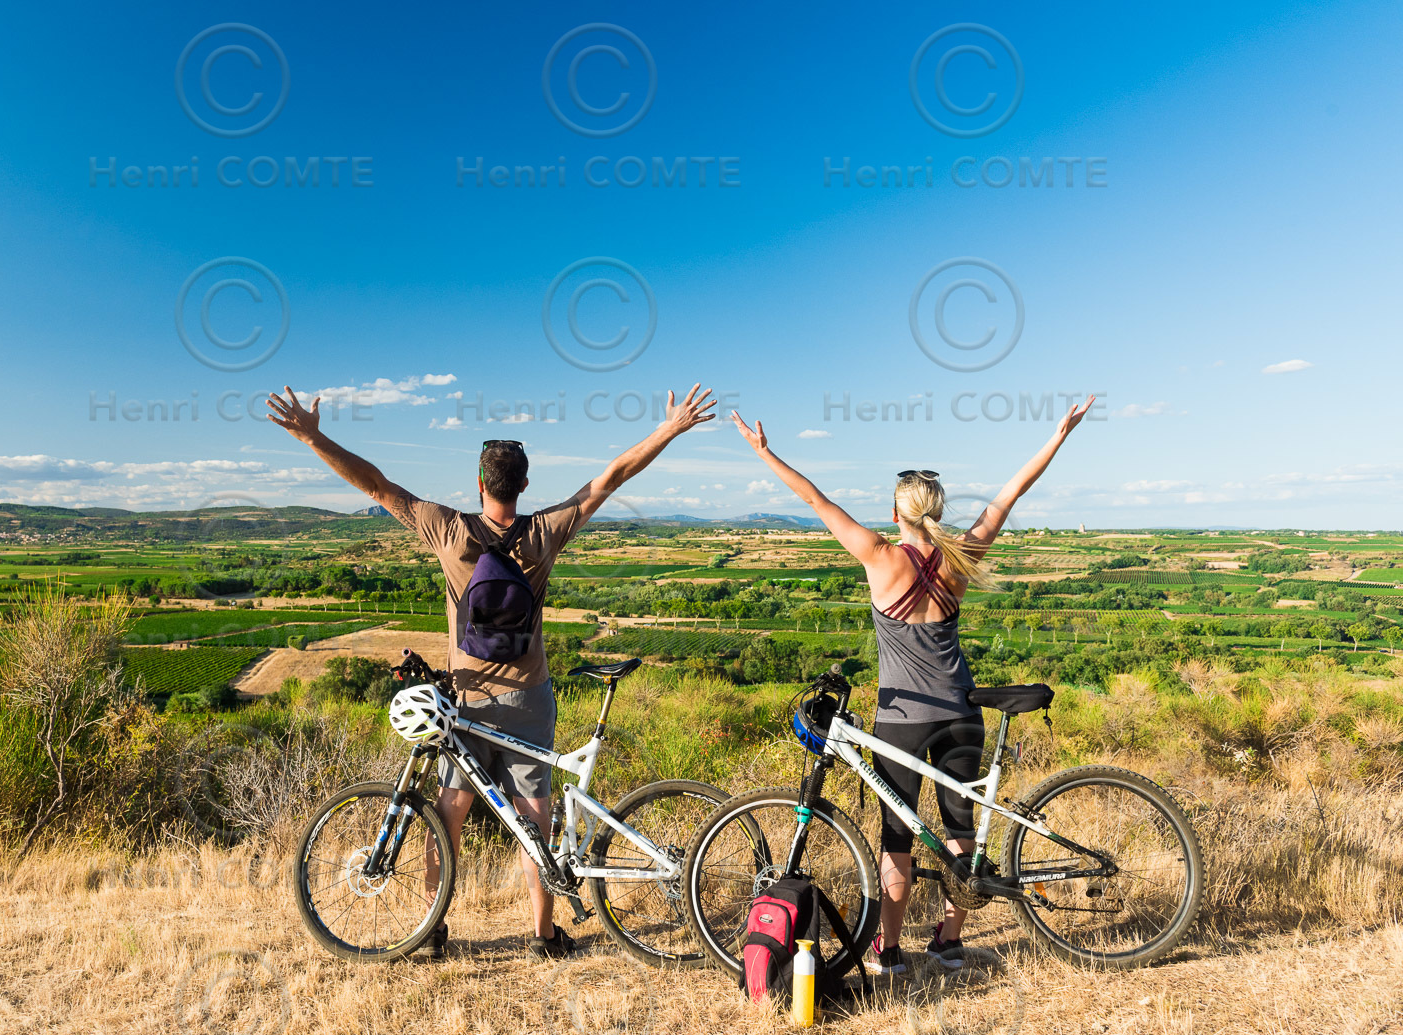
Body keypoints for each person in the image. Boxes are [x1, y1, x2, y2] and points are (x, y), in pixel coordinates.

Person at [267, 384, 718, 958]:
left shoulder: (449, 530)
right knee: (535, 821)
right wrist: (671, 428)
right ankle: (544, 934)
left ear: (480, 483)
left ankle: (430, 932)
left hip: (466, 699)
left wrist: (311, 435)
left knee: (445, 816)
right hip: (530, 696)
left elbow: (375, 484)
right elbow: (611, 477)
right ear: (524, 484)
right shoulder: (543, 531)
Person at [730, 398, 1094, 975]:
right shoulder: (961, 555)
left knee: (897, 837)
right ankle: (948, 942)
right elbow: (1009, 495)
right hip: (961, 711)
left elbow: (815, 501)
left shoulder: (879, 556)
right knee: (958, 829)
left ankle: (890, 950)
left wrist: (765, 452)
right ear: (940, 511)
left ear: (894, 512)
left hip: (901, 719)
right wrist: (1058, 436)